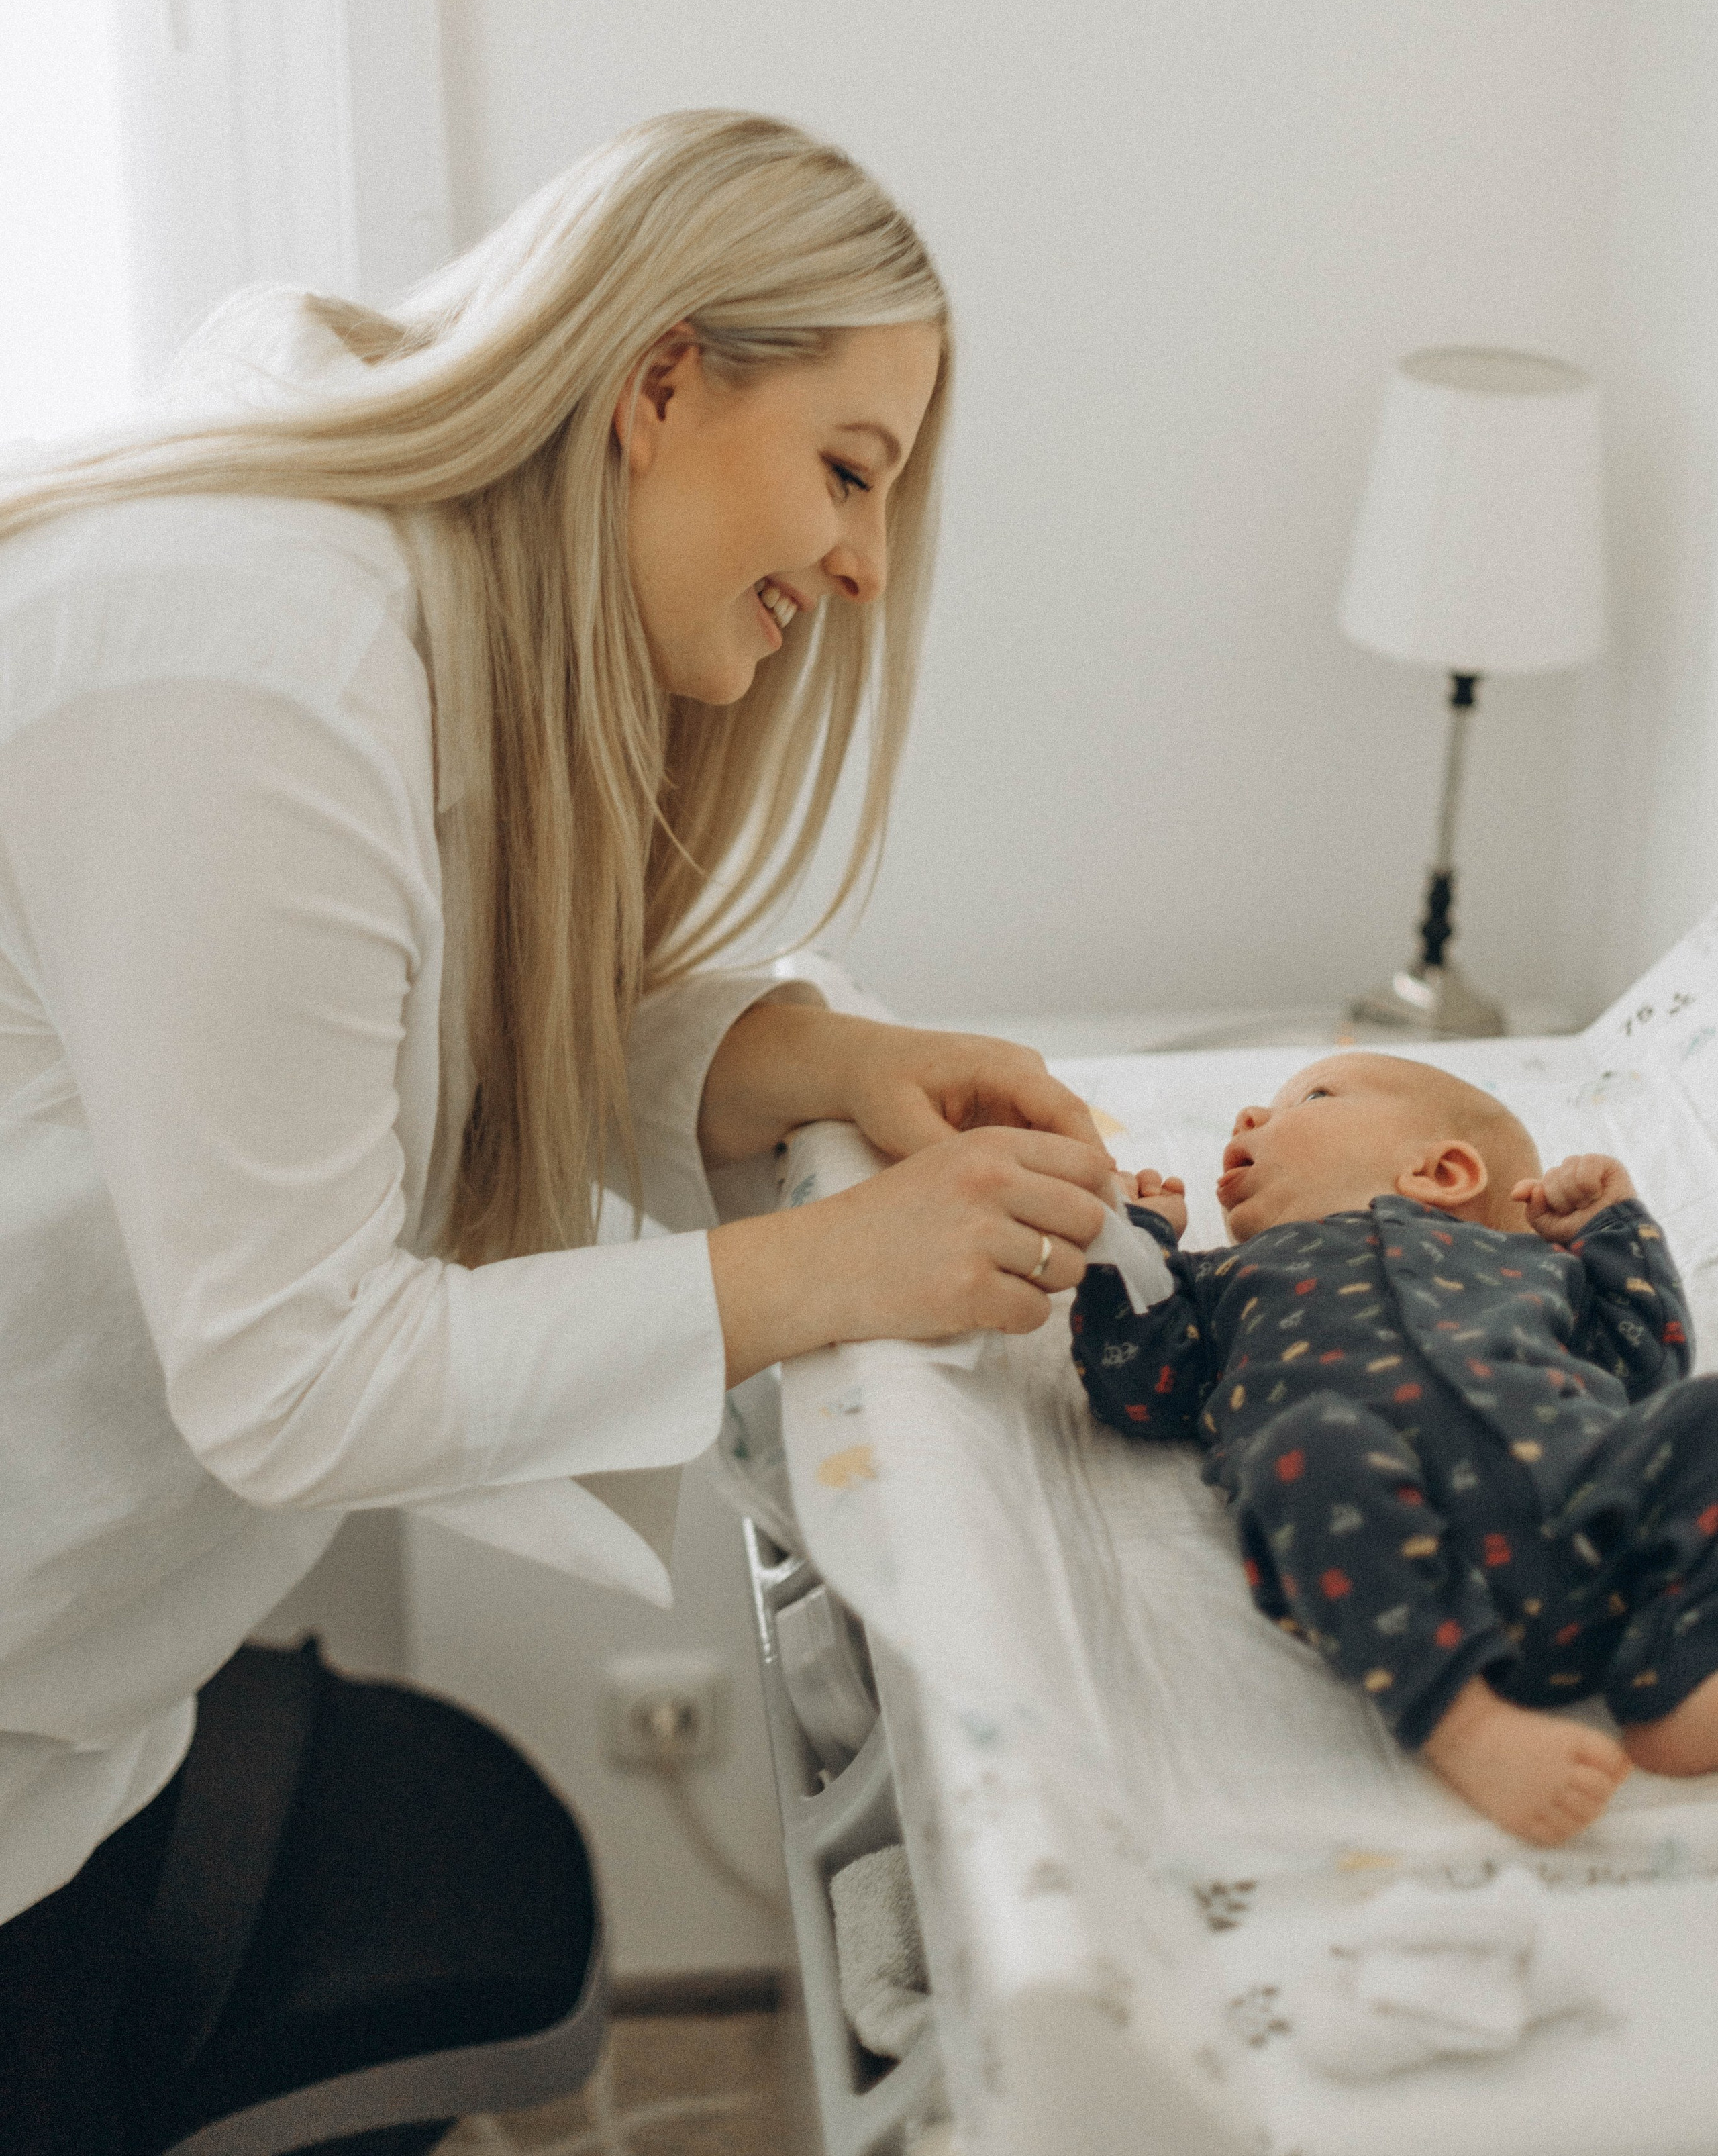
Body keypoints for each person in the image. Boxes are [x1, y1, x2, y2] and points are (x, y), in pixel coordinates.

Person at [0, 111, 1117, 2149]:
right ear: (661, 380)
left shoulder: (390, 624)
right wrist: (815, 1267)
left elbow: (409, 1005)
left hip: (71, 1691)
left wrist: (781, 1055)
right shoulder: (254, 659)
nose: (868, 564)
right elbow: (291, 1374)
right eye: (849, 471)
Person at [1070, 1049, 1718, 1847]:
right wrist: (1137, 1240)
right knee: (1303, 1450)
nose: (1247, 1120)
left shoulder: (1537, 1264)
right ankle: (1466, 1724)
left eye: (1309, 1096)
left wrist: (1611, 1228)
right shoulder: (1220, 1278)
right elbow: (1130, 1380)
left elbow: (1647, 1364)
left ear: (1440, 1171)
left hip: (1594, 1505)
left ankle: (1679, 1668)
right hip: (1393, 1547)